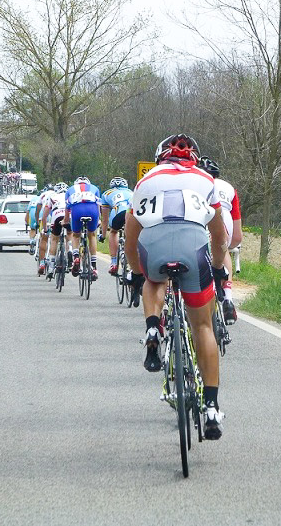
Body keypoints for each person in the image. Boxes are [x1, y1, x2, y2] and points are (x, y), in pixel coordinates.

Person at [124, 133, 229, 440]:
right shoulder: (206, 180)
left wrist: (135, 272)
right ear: (194, 158)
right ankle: (211, 407)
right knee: (204, 327)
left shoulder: (144, 182)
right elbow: (220, 238)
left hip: (155, 247)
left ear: (160, 158)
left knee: (154, 278)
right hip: (193, 249)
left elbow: (131, 239)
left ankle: (153, 328)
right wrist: (219, 269)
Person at [198, 157, 242, 324]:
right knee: (223, 250)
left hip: (201, 215)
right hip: (226, 220)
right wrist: (228, 247)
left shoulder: (192, 182)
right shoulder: (229, 188)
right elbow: (237, 237)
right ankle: (228, 299)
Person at [64, 177, 101, 279]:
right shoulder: (95, 188)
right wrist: (98, 219)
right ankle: (94, 266)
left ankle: (76, 257)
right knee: (92, 235)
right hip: (92, 210)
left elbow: (67, 208)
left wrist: (65, 221)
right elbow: (98, 206)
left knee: (75, 235)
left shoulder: (70, 189)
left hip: (77, 210)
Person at [100, 177, 134, 276]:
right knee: (134, 234)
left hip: (118, 211)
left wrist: (102, 235)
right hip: (132, 212)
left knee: (114, 231)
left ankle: (114, 262)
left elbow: (105, 219)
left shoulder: (106, 193)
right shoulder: (131, 192)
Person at [39, 182, 69, 275]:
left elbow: (44, 217)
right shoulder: (70, 196)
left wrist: (45, 229)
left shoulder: (52, 197)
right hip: (68, 215)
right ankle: (70, 251)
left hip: (56, 215)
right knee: (70, 235)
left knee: (54, 239)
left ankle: (51, 267)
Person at [35, 184, 54, 275]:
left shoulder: (42, 195)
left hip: (45, 214)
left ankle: (42, 263)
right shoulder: (56, 194)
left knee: (44, 238)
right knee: (55, 239)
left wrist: (37, 222)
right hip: (55, 214)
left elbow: (37, 210)